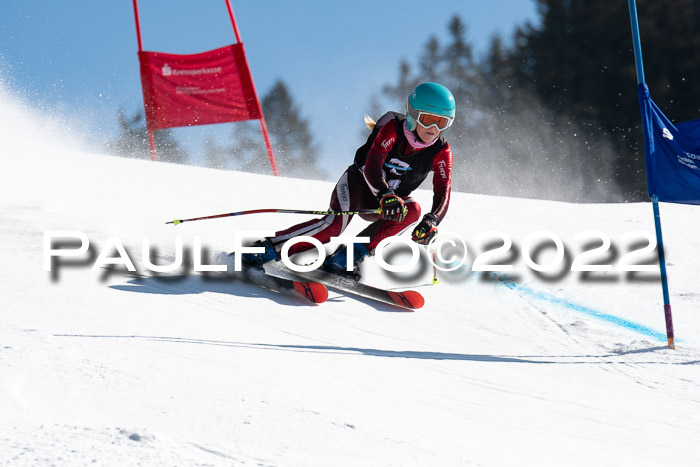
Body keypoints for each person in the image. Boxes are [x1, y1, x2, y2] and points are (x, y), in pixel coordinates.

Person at [241, 82, 455, 278]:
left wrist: (431, 221)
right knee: (332, 226)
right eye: (428, 119)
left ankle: (344, 259)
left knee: (414, 210)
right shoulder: (392, 127)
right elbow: (373, 165)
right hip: (358, 188)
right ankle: (262, 250)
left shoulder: (441, 151)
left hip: (386, 204)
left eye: (442, 122)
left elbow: (443, 191)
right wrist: (385, 194)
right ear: (413, 114)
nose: (434, 130)